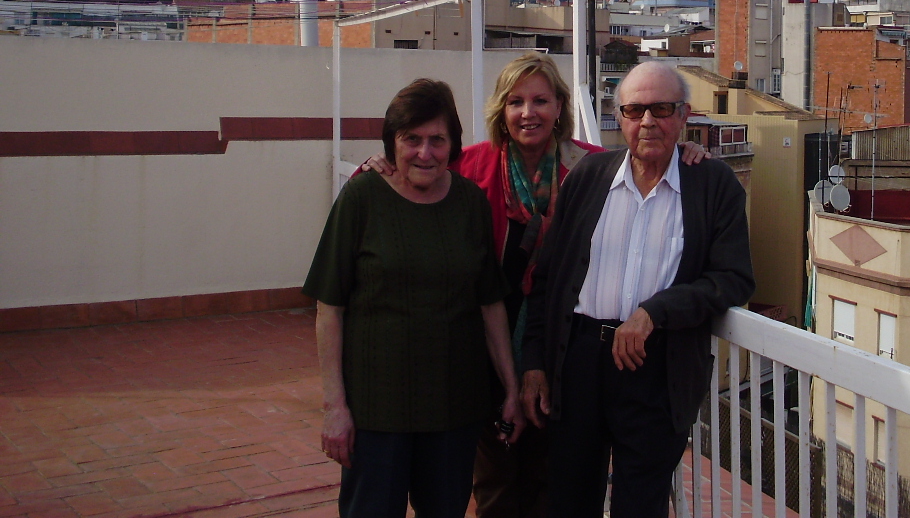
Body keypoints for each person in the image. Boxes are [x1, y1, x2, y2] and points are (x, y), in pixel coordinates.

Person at [360, 53, 707, 518]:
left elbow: (649, 158)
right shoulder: (470, 166)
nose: (529, 113)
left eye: (541, 100)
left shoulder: (588, 168)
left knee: (552, 478)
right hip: (484, 347)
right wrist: (383, 164)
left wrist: (690, 154)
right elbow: (419, 170)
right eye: (516, 101)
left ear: (560, 107)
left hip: (555, 348)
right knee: (496, 477)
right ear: (501, 111)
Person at [519, 61, 754, 518]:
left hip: (657, 366)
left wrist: (655, 312)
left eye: (662, 109)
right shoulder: (588, 177)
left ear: (684, 115)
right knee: (568, 498)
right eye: (635, 110)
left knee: (640, 504)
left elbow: (734, 278)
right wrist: (533, 364)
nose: (648, 121)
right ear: (620, 117)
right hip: (579, 362)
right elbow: (547, 280)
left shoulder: (711, 184)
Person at [304, 78, 524, 518]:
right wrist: (335, 407)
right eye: (412, 139)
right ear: (392, 143)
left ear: (453, 145)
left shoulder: (469, 204)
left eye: (437, 140)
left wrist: (511, 388)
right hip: (376, 415)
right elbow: (330, 309)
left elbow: (490, 306)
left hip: (454, 412)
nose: (425, 153)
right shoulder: (363, 198)